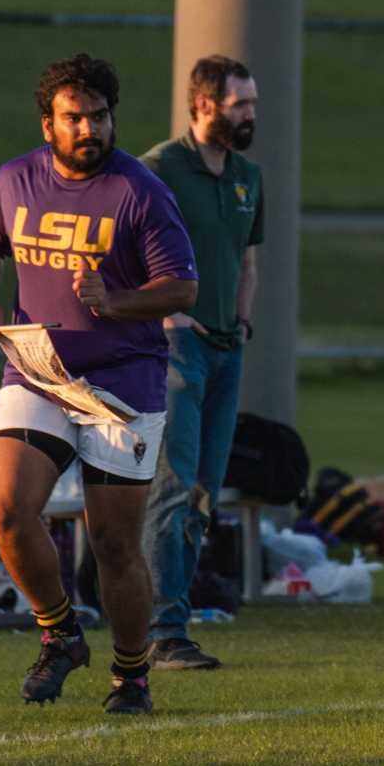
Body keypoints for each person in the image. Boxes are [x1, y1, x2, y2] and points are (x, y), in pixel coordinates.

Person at [0, 53, 198, 715]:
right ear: (49, 125)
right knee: (7, 503)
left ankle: (131, 675)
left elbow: (183, 287)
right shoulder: (15, 180)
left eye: (99, 116)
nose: (90, 127)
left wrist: (114, 300)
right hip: (38, 369)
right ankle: (61, 632)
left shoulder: (140, 191)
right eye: (75, 118)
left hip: (123, 381)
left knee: (114, 543)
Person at [137, 54, 261, 672]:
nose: (251, 114)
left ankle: (173, 618)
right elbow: (119, 250)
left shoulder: (248, 177)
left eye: (253, 104)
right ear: (203, 104)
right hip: (177, 348)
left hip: (225, 347)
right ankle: (160, 629)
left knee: (205, 492)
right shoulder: (158, 170)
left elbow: (246, 260)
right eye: (241, 104)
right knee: (173, 483)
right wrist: (163, 315)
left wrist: (241, 323)